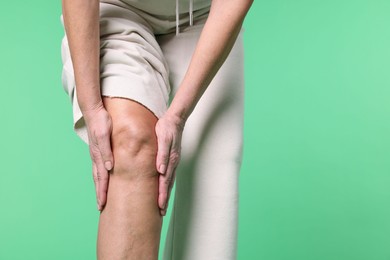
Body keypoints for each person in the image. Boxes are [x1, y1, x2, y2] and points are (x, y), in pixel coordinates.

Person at [60, 0, 253, 259]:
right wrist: (92, 106)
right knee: (131, 144)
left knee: (213, 186)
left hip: (205, 13)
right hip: (118, 7)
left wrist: (178, 115)